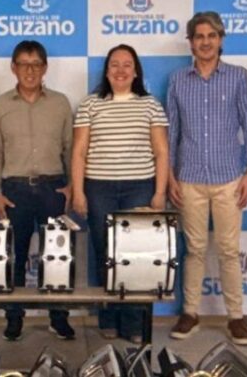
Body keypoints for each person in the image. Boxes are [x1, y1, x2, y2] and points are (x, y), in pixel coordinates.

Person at [166, 11, 247, 347]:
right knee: (193, 249)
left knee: (229, 250)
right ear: (190, 42)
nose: (205, 42)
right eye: (199, 36)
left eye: (211, 36)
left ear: (221, 40)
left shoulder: (238, 77)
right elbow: (172, 131)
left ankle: (235, 316)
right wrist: (170, 176)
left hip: (229, 177)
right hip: (189, 177)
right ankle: (190, 312)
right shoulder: (178, 80)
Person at [71, 43, 169, 343]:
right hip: (99, 188)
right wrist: (79, 192)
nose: (121, 70)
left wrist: (159, 193)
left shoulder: (150, 105)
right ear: (106, 71)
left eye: (127, 64)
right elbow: (79, 152)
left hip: (139, 187)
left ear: (136, 71)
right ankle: (108, 319)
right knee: (105, 254)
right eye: (114, 64)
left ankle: (134, 324)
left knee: (136, 256)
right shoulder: (90, 105)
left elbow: (161, 152)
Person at [0, 40, 75, 342]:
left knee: (58, 256)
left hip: (53, 187)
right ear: (13, 68)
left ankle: (59, 318)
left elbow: (70, 147)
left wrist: (72, 186)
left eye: (36, 64)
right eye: (24, 64)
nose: (30, 70)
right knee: (15, 256)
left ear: (45, 68)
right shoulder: (0, 105)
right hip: (15, 190)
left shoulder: (60, 103)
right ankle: (14, 318)